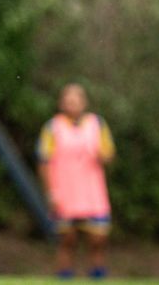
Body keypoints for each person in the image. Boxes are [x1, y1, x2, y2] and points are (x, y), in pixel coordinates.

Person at [37, 83, 116, 280]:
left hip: (92, 192)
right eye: (68, 100)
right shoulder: (52, 127)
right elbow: (43, 161)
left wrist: (102, 156)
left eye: (76, 100)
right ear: (61, 103)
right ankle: (64, 275)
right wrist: (50, 191)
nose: (72, 104)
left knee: (97, 238)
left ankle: (97, 275)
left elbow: (109, 154)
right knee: (66, 240)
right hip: (65, 191)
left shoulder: (97, 124)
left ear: (84, 102)